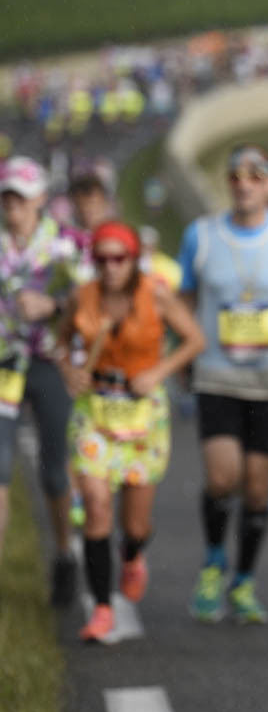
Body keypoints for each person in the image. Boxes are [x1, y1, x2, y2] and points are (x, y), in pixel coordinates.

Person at [178, 144, 268, 625]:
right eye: (235, 175)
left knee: (257, 490)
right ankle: (213, 562)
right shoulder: (201, 235)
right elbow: (184, 298)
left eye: (256, 175)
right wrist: (182, 348)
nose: (244, 183)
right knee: (222, 478)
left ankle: (243, 580)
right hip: (217, 375)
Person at [57, 221, 206, 642]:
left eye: (119, 258)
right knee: (96, 505)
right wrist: (69, 370)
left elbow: (195, 340)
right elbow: (60, 340)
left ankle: (133, 555)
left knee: (135, 524)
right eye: (102, 259)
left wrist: (158, 372)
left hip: (142, 414)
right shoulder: (82, 296)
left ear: (134, 259)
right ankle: (102, 609)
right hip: (95, 410)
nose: (110, 267)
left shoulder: (155, 294)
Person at [0, 155, 88, 606]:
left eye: (21, 198)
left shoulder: (66, 244)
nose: (13, 207)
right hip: (5, 363)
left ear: (39, 200)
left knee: (54, 472)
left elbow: (90, 299)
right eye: (6, 198)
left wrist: (52, 307)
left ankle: (64, 554)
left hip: (51, 361)